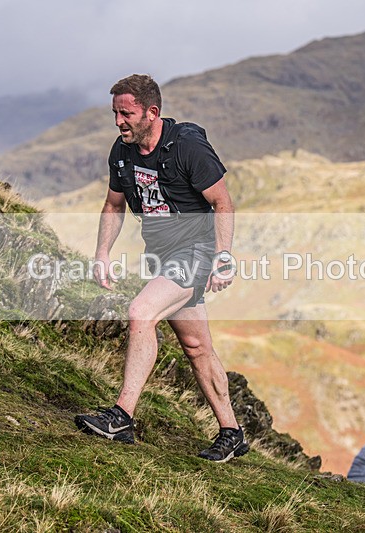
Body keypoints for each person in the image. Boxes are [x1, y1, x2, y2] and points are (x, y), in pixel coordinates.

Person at [74, 74, 248, 462]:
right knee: (197, 346)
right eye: (115, 113)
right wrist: (102, 253)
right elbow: (113, 206)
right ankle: (232, 432)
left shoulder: (187, 147)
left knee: (141, 313)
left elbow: (223, 203)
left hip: (198, 249)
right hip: (164, 255)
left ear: (152, 113)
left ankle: (121, 417)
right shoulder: (122, 153)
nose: (119, 122)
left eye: (127, 114)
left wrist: (223, 257)